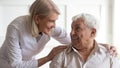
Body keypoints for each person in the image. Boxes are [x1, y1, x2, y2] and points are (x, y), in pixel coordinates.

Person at [0, 0, 117, 68]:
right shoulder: (15, 28)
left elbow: (74, 40)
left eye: (55, 21)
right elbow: (15, 65)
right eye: (51, 21)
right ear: (37, 19)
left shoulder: (50, 28)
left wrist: (102, 46)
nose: (55, 25)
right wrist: (47, 58)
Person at [50, 13, 120, 68]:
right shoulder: (61, 55)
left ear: (93, 32)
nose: (71, 33)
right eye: (72, 28)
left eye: (77, 29)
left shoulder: (110, 55)